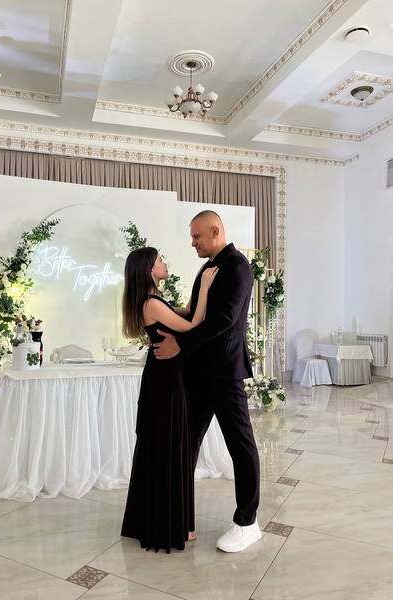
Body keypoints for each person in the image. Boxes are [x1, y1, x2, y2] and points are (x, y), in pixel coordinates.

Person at [153, 210, 261, 553]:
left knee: (240, 445)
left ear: (215, 231)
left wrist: (181, 344)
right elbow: (194, 313)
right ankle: (179, 515)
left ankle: (248, 523)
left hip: (225, 372)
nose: (193, 243)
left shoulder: (238, 266)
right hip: (199, 370)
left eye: (197, 236)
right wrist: (153, 310)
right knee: (186, 442)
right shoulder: (207, 268)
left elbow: (225, 318)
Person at [120, 246, 218, 553]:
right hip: (165, 378)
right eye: (160, 260)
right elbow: (192, 326)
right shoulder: (151, 303)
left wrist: (199, 282)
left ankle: (161, 518)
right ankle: (170, 523)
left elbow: (186, 311)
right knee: (168, 441)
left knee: (164, 441)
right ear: (150, 270)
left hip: (164, 374)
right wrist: (205, 288)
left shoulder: (154, 300)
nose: (165, 263)